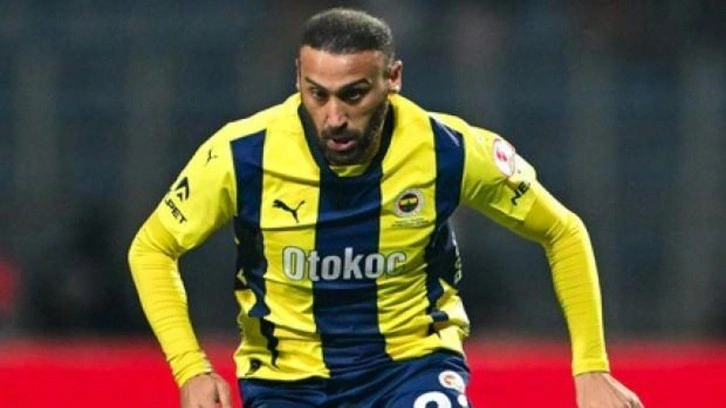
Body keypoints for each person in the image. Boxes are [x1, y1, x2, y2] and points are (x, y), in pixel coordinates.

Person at [128, 7, 643, 408]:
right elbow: (152, 248)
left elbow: (563, 231)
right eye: (317, 94)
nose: (334, 117)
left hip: (410, 367)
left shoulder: (448, 149)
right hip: (285, 382)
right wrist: (190, 369)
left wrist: (591, 368)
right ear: (298, 78)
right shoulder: (241, 154)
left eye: (353, 95)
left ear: (392, 78)